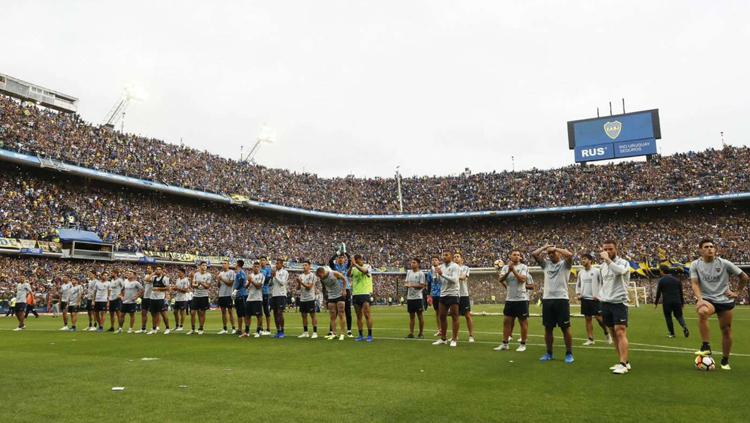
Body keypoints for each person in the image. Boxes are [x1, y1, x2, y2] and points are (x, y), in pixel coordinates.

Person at [690, 238, 749, 370]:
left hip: (724, 300)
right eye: (706, 247)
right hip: (707, 299)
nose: (709, 249)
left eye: (712, 246)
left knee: (726, 330)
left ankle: (725, 360)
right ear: (700, 250)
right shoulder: (695, 265)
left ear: (715, 249)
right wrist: (700, 299)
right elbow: (694, 283)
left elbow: (744, 277)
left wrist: (737, 292)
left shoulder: (724, 263)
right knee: (702, 311)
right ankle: (706, 346)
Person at [532, 244, 574, 364]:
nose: (550, 255)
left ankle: (569, 353)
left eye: (553, 253)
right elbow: (534, 254)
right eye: (549, 254)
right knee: (548, 328)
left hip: (561, 299)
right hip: (548, 299)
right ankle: (549, 353)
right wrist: (545, 247)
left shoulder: (565, 265)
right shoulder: (546, 265)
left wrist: (555, 249)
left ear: (559, 253)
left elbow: (570, 255)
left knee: (565, 328)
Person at [598, 240, 632, 374]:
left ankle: (623, 364)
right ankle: (623, 361)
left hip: (619, 302)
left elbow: (620, 272)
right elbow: (603, 283)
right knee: (613, 333)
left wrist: (608, 260)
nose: (608, 251)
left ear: (616, 249)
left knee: (620, 331)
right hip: (606, 302)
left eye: (610, 249)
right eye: (605, 249)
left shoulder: (623, 263)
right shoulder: (602, 267)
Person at [496, 250, 531, 352]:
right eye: (514, 255)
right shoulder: (505, 267)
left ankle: (523, 344)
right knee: (507, 321)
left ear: (520, 257)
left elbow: (522, 280)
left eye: (518, 255)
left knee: (523, 322)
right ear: (510, 256)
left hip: (521, 299)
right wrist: (508, 271)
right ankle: (505, 343)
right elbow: (500, 279)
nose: (516, 256)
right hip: (510, 299)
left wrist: (514, 271)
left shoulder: (523, 267)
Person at [575, 253, 611, 346]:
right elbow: (578, 285)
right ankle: (590, 339)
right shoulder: (580, 273)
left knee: (599, 318)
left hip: (595, 299)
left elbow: (603, 284)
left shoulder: (597, 271)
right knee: (588, 319)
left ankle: (607, 333)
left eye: (585, 259)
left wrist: (599, 295)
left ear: (590, 260)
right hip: (585, 299)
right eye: (582, 259)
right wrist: (578, 294)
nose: (583, 261)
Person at [432, 251, 461, 347]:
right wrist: (436, 277)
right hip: (443, 294)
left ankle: (454, 339)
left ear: (451, 256)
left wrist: (442, 274)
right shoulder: (441, 267)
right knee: (442, 316)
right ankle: (443, 338)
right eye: (443, 255)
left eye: (446, 255)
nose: (444, 257)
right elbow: (440, 281)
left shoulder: (455, 266)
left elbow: (454, 280)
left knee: (454, 316)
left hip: (453, 293)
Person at [316, 266, 348, 341]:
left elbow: (344, 279)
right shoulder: (322, 279)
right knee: (332, 316)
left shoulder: (334, 273)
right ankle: (334, 333)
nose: (319, 277)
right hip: (331, 296)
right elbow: (324, 288)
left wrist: (344, 290)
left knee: (341, 314)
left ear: (322, 272)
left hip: (339, 295)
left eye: (320, 275)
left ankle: (342, 334)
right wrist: (325, 299)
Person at [654, 273, 689, 338]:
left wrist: (656, 303)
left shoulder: (662, 280)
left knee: (668, 317)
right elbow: (681, 292)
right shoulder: (677, 280)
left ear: (661, 271)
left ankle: (672, 333)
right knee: (679, 316)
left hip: (667, 302)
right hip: (677, 301)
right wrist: (682, 303)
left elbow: (658, 292)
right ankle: (684, 327)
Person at [349, 254, 374, 342]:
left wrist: (355, 265)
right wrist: (351, 266)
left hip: (365, 293)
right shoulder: (354, 268)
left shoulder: (368, 266)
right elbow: (348, 275)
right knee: (358, 316)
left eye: (358, 260)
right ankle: (360, 335)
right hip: (356, 294)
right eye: (356, 260)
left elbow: (365, 271)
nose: (359, 261)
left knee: (367, 314)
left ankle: (370, 335)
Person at [329, 251, 353, 337]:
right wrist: (336, 253)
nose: (340, 259)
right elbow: (330, 261)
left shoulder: (346, 266)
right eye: (339, 257)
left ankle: (349, 330)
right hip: (336, 290)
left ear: (344, 259)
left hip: (346, 289)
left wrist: (346, 252)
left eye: (342, 258)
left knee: (347, 311)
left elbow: (350, 260)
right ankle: (331, 331)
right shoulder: (334, 267)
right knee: (333, 311)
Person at [454, 253, 475, 343]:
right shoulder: (451, 268)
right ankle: (455, 336)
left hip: (463, 294)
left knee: (467, 315)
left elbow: (463, 278)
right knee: (455, 316)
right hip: (454, 294)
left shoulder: (465, 268)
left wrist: (452, 277)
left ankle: (471, 335)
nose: (456, 258)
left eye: (457, 257)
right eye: (454, 257)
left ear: (461, 259)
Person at [241, 261, 265, 338]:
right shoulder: (250, 275)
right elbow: (245, 286)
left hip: (257, 298)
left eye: (258, 267)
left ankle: (258, 331)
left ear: (260, 268)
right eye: (255, 266)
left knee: (259, 316)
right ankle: (247, 332)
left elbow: (259, 286)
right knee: (247, 315)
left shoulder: (261, 276)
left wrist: (252, 281)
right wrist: (249, 282)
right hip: (250, 298)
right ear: (252, 267)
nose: (256, 268)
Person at [404, 258, 426, 339]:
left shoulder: (421, 274)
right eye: (411, 262)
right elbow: (406, 282)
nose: (412, 264)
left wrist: (411, 285)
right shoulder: (409, 272)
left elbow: (422, 285)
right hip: (410, 298)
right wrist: (406, 284)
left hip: (418, 298)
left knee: (420, 316)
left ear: (418, 264)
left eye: (414, 262)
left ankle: (421, 333)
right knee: (411, 316)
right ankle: (411, 333)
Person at [296, 261, 318, 338]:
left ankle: (315, 332)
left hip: (310, 298)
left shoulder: (312, 275)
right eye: (303, 265)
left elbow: (309, 287)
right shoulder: (301, 276)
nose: (304, 266)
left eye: (306, 265)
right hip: (303, 299)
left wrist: (300, 282)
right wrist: (299, 283)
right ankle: (305, 332)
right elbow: (298, 288)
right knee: (303, 316)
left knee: (313, 315)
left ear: (309, 266)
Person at [189, 262, 212, 335]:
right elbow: (193, 285)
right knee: (192, 312)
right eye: (203, 265)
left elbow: (207, 286)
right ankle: (193, 329)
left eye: (205, 265)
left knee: (202, 313)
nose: (205, 266)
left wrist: (201, 283)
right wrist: (198, 284)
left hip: (204, 295)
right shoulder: (196, 274)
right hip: (196, 295)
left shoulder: (208, 275)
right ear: (200, 266)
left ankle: (201, 328)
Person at [148, 266, 171, 335]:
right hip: (152, 298)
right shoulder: (154, 278)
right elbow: (147, 279)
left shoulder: (165, 278)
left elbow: (168, 288)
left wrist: (159, 289)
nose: (157, 270)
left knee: (163, 314)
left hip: (160, 299)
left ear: (162, 271)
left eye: (159, 269)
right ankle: (154, 329)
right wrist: (153, 273)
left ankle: (167, 328)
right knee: (153, 314)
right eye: (156, 269)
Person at [270, 258, 289, 338]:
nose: (276, 265)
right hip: (274, 294)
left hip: (281, 295)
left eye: (278, 263)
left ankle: (282, 331)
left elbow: (282, 283)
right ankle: (278, 331)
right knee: (274, 313)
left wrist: (275, 276)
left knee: (279, 313)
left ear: (282, 264)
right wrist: (271, 277)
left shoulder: (285, 272)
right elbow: (271, 284)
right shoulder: (275, 272)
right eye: (276, 263)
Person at [216, 261, 237, 335]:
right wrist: (218, 281)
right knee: (223, 312)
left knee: (230, 311)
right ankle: (224, 328)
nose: (223, 265)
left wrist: (221, 279)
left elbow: (230, 284)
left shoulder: (231, 272)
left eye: (225, 263)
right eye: (223, 263)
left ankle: (233, 328)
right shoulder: (220, 273)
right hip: (221, 295)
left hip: (228, 294)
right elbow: (218, 286)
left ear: (228, 265)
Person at [233, 260, 248, 334]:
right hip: (239, 295)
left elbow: (242, 281)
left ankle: (246, 329)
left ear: (238, 264)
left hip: (242, 295)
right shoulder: (239, 272)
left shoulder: (240, 272)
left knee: (244, 313)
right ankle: (239, 329)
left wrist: (236, 290)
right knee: (239, 313)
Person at [428, 256, 442, 337]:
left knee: (442, 313)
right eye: (432, 260)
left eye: (436, 260)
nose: (434, 261)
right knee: (437, 313)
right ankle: (439, 330)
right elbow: (429, 284)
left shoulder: (442, 269)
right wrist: (429, 295)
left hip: (442, 293)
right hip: (434, 294)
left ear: (439, 261)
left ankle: (444, 330)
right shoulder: (430, 272)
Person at [259, 257, 273, 335]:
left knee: (266, 311)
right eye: (261, 260)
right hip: (258, 293)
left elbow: (268, 280)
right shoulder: (258, 269)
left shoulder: (268, 270)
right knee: (259, 311)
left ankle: (268, 329)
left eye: (264, 260)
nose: (262, 262)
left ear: (266, 261)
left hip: (265, 292)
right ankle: (260, 328)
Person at [139, 266, 154, 334]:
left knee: (154, 314)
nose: (147, 269)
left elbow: (148, 280)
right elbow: (146, 280)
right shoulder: (147, 275)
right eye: (147, 268)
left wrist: (153, 273)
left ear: (152, 269)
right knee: (143, 313)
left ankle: (155, 328)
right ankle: (143, 328)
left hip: (152, 297)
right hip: (146, 297)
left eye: (149, 268)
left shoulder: (154, 276)